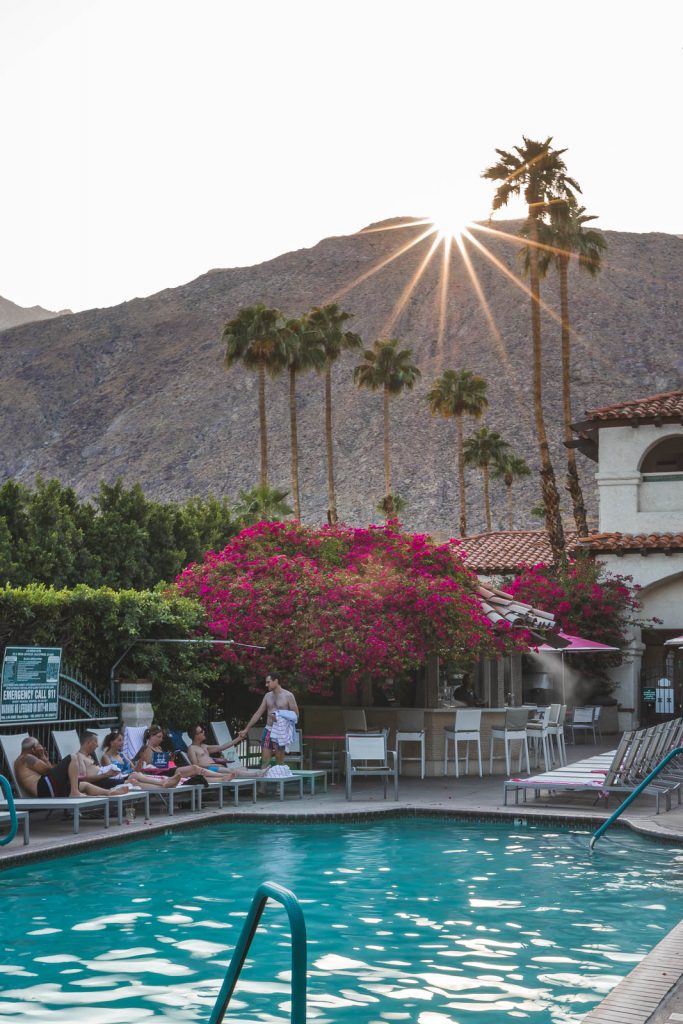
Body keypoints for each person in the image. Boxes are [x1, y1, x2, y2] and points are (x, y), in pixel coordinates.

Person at [14, 734, 137, 799]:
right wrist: (43, 757)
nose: (42, 747)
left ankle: (109, 793)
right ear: (33, 748)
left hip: (47, 787)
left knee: (84, 784)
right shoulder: (26, 758)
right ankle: (74, 792)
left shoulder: (25, 760)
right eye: (39, 745)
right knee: (72, 757)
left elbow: (49, 772)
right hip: (43, 789)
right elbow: (47, 770)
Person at [100, 729, 205, 789]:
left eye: (122, 740)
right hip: (124, 779)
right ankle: (164, 783)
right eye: (119, 740)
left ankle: (165, 783)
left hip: (134, 776)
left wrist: (141, 760)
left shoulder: (123, 755)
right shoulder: (105, 757)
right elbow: (112, 775)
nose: (122, 743)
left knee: (137, 776)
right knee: (136, 777)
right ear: (111, 742)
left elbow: (136, 770)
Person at [239, 672, 299, 768]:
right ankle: (263, 782)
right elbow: (258, 713)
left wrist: (279, 718)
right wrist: (246, 729)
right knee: (265, 762)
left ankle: (279, 781)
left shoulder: (288, 696)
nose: (266, 685)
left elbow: (295, 716)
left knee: (279, 763)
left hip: (280, 731)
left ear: (276, 681)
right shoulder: (267, 696)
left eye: (268, 682)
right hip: (269, 729)